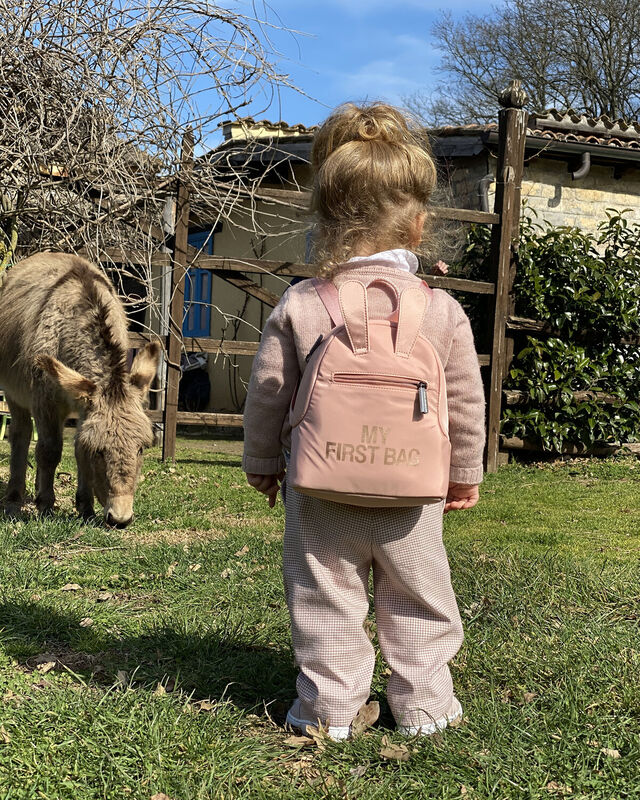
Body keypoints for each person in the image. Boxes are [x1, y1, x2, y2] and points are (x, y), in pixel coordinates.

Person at [242, 102, 485, 740]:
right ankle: (425, 709)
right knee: (419, 598)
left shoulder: (303, 303)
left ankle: (327, 712)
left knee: (325, 600)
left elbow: (269, 392)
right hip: (413, 494)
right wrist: (464, 475)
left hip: (318, 493)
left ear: (324, 218)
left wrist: (264, 462)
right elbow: (464, 401)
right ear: (418, 224)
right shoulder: (442, 312)